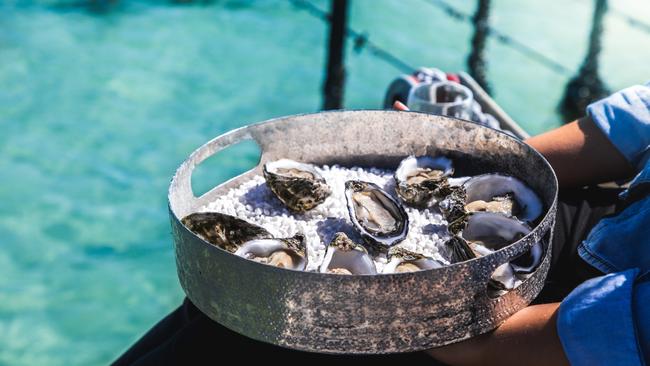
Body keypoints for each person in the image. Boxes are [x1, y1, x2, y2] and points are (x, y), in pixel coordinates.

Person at [114, 84, 650, 366]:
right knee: (227, 310)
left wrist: (474, 347)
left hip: (606, 318)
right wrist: (479, 163)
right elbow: (634, 120)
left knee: (289, 341)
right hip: (618, 221)